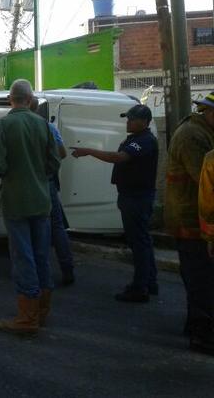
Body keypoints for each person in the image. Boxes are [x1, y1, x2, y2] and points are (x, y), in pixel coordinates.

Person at [0, 79, 60, 336]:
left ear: (11, 99)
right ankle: (41, 311)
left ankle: (27, 317)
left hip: (15, 201)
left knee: (23, 257)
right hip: (41, 200)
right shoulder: (43, 125)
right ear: (29, 100)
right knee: (41, 255)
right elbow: (54, 163)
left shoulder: (3, 125)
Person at [71, 104, 158, 303]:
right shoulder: (137, 139)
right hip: (134, 196)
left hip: (136, 198)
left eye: (131, 119)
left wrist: (88, 151)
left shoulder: (144, 141)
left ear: (144, 122)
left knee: (139, 243)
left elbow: (117, 158)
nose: (127, 122)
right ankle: (148, 282)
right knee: (142, 241)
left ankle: (140, 287)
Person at [165, 92, 214, 353]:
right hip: (191, 221)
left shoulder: (202, 131)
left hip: (196, 218)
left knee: (200, 278)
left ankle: (197, 325)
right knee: (201, 279)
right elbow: (206, 181)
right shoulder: (193, 137)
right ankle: (202, 334)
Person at [30, 97, 75, 285]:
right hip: (47, 182)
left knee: (30, 226)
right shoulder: (48, 127)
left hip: (28, 184)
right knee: (56, 226)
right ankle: (67, 268)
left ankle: (36, 272)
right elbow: (62, 153)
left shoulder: (18, 126)